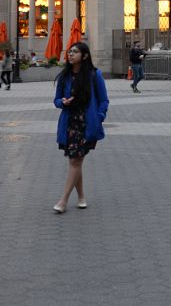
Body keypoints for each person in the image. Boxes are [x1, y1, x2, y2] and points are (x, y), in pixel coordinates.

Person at [52, 41, 109, 213]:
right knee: (75, 161)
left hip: (87, 123)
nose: (70, 54)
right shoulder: (64, 76)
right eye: (69, 52)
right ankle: (81, 197)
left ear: (84, 56)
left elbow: (103, 100)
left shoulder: (94, 75)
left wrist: (99, 117)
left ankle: (63, 200)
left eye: (74, 52)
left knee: (75, 161)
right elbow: (56, 100)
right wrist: (62, 102)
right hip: (70, 122)